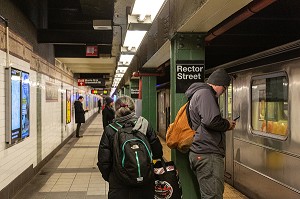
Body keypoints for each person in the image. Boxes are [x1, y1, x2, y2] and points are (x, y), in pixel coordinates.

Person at [97, 95, 163, 199]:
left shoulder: (110, 130)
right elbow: (158, 152)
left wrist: (112, 177)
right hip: (145, 182)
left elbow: (104, 162)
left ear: (115, 109)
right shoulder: (144, 124)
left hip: (119, 185)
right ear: (133, 108)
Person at [186, 68, 236, 199]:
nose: (222, 93)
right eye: (224, 89)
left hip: (202, 151)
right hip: (207, 153)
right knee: (213, 196)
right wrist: (227, 124)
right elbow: (210, 120)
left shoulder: (199, 93)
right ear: (219, 84)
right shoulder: (205, 93)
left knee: (208, 194)